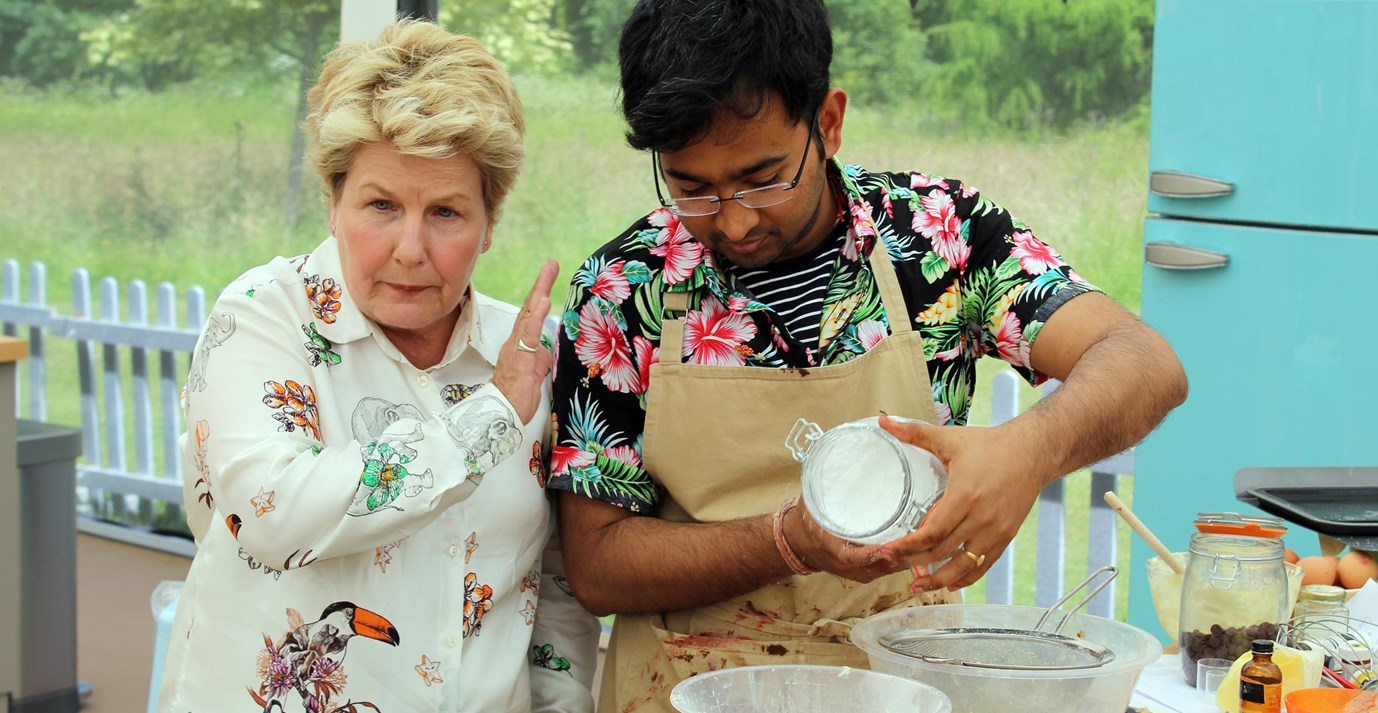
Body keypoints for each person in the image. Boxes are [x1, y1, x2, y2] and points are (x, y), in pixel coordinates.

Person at [545, 1, 1188, 710]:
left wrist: (1029, 449)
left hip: (904, 681)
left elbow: (1143, 360)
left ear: (827, 122)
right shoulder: (621, 289)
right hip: (680, 687)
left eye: (763, 178)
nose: (732, 219)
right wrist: (784, 540)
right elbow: (598, 564)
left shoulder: (940, 237)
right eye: (692, 187)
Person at [159, 19, 598, 712]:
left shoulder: (523, 354)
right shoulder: (260, 317)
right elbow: (275, 514)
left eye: (447, 211)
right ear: (334, 203)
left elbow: (550, 577)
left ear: (491, 222)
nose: (410, 248)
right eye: (382, 205)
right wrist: (487, 418)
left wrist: (563, 701)